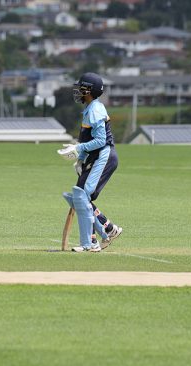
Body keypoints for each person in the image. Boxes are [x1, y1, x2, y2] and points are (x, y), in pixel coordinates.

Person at [58, 72, 122, 252]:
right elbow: (89, 139)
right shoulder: (90, 108)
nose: (78, 91)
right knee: (78, 197)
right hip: (96, 156)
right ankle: (107, 229)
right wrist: (80, 159)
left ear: (89, 90)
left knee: (80, 195)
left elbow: (101, 141)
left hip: (104, 156)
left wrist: (77, 148)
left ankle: (90, 243)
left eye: (81, 88)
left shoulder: (95, 110)